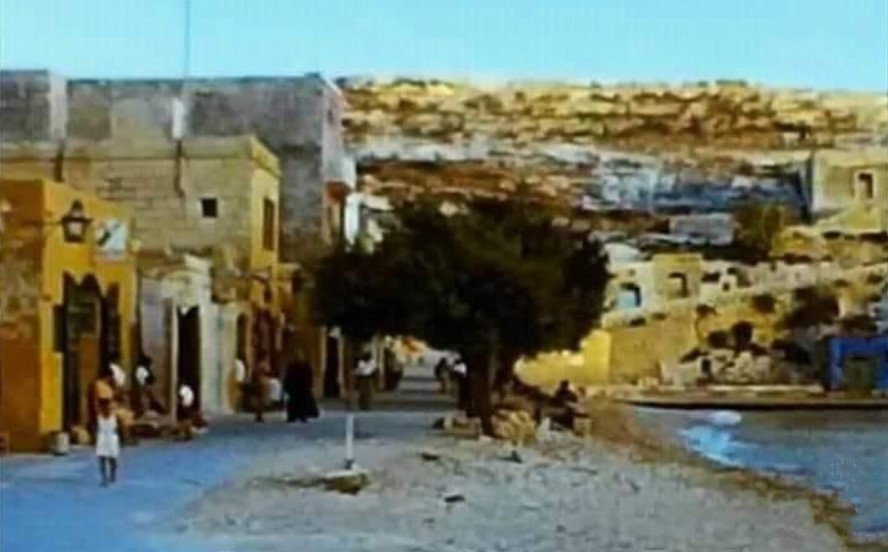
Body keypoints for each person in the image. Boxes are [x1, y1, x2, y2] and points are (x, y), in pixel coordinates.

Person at [284, 349, 319, 423]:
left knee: (303, 403)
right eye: (297, 356)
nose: (298, 357)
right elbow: (288, 377)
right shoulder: (292, 366)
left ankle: (303, 416)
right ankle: (293, 416)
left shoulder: (306, 366)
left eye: (299, 356)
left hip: (303, 388)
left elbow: (309, 376)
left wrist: (310, 385)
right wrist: (288, 386)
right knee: (294, 403)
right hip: (295, 388)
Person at [95, 398, 121, 486]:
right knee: (101, 458)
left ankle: (112, 475)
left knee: (112, 459)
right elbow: (97, 427)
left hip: (111, 438)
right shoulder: (99, 416)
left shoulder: (114, 416)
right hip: (103, 438)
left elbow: (118, 428)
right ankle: (104, 477)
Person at [251, 355, 272, 422]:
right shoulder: (264, 364)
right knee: (262, 400)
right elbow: (268, 372)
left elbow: (253, 374)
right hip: (263, 382)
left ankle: (258, 414)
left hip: (257, 382)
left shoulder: (256, 365)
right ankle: (260, 415)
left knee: (258, 399)